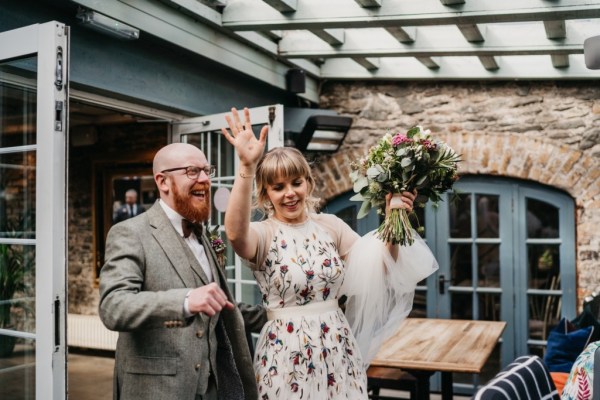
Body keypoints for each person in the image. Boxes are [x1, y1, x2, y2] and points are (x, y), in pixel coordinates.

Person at [221, 107, 439, 399]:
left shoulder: (330, 226)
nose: (289, 193)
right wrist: (247, 167)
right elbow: (235, 233)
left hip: (337, 346)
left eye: (296, 183)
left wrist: (391, 218)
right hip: (287, 354)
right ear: (266, 195)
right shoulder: (264, 233)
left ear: (308, 183)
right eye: (278, 187)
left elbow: (381, 265)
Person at [98, 142, 265, 400]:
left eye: (207, 170)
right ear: (163, 182)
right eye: (192, 171)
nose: (205, 179)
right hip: (157, 391)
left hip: (211, 389)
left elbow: (218, 306)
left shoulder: (201, 236)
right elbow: (113, 306)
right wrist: (185, 300)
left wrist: (285, 315)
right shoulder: (130, 232)